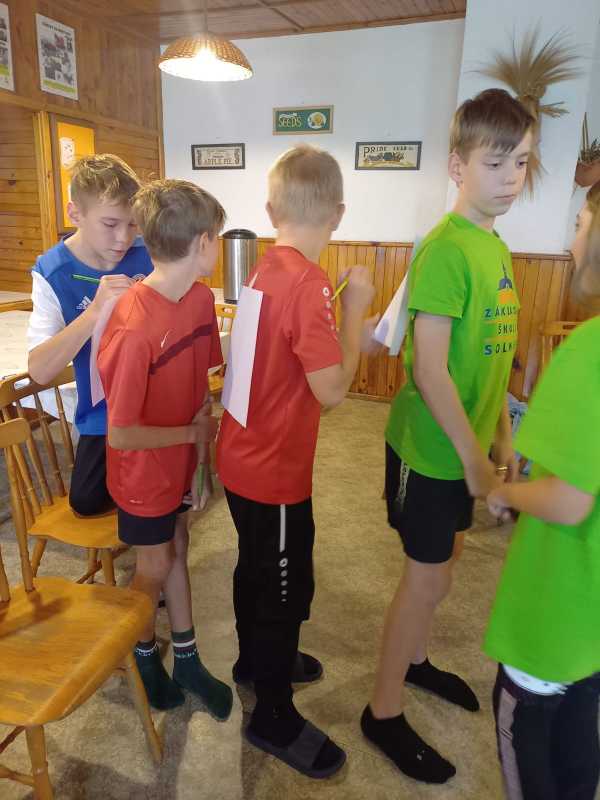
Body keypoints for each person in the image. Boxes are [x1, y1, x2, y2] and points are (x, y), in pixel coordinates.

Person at [361, 88, 535, 784]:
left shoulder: (494, 247)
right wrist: (473, 461)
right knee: (425, 578)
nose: (511, 178)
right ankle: (382, 711)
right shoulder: (444, 250)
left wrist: (501, 437)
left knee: (448, 563)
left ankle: (417, 659)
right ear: (458, 166)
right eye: (496, 163)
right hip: (430, 451)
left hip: (466, 447)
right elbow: (429, 370)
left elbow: (494, 354)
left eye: (521, 163)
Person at [216, 145, 375, 778]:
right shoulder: (310, 282)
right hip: (274, 470)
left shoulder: (263, 268)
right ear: (338, 213)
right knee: (283, 588)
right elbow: (332, 391)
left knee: (255, 566)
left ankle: (257, 664)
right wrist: (356, 309)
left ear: (269, 210)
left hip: (240, 457)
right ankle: (273, 714)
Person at [97, 179, 232, 719]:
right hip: (141, 474)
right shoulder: (133, 326)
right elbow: (121, 434)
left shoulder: (199, 299)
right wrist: (192, 438)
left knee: (178, 547)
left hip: (178, 463)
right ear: (202, 243)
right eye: (217, 236)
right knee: (154, 563)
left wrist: (199, 465)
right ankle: (141, 652)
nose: (217, 244)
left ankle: (188, 659)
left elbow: (200, 386)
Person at [483, 180, 600, 800]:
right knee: (579, 761)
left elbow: (568, 498)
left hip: (551, 622)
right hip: (590, 632)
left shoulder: (587, 352)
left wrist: (506, 494)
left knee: (533, 759)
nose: (572, 240)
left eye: (580, 224)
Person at [27, 154, 152, 516]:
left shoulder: (149, 253)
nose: (123, 238)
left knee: (157, 492)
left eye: (133, 224)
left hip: (156, 405)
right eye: (110, 224)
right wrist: (95, 313)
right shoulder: (52, 271)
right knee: (86, 501)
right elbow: (40, 370)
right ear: (75, 214)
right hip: (102, 412)